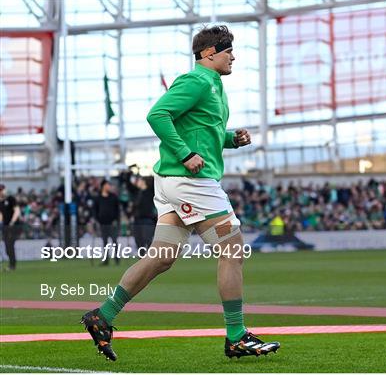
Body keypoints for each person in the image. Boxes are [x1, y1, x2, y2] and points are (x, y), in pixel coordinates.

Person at [81, 25, 280, 361]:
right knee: (232, 248)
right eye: (227, 49)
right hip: (191, 181)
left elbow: (201, 131)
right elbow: (158, 114)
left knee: (162, 257)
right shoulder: (196, 81)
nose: (233, 55)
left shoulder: (213, 86)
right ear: (208, 54)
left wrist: (230, 139)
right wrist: (186, 154)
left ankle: (103, 316)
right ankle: (236, 336)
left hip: (176, 182)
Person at [94, 180, 120, 266]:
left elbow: (117, 210)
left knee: (114, 241)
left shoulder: (113, 197)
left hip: (112, 222)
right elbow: (95, 210)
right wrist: (97, 219)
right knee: (105, 242)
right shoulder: (98, 198)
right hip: (102, 223)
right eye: (107, 185)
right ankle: (106, 260)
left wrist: (116, 220)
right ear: (103, 186)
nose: (109, 186)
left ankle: (117, 259)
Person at [0, 184, 21, 270]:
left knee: (10, 245)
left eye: (2, 190)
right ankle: (11, 264)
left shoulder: (10, 199)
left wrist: (12, 222)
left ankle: (12, 266)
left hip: (14, 226)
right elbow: (1, 215)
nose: (1, 191)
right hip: (5, 226)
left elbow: (17, 211)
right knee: (7, 247)